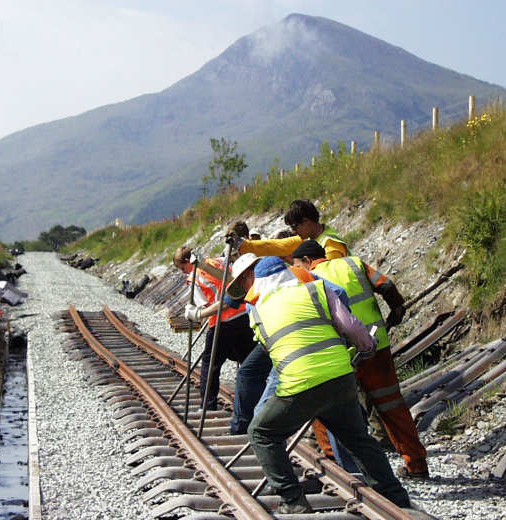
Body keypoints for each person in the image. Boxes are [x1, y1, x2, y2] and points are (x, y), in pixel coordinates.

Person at [227, 255, 410, 513]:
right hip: (340, 378)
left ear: (258, 281)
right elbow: (350, 326)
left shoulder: (256, 311)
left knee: (261, 432)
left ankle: (293, 501)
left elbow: (272, 351)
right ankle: (395, 498)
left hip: (299, 385)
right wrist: (366, 347)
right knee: (358, 439)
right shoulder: (317, 289)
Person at [291, 240, 429, 479]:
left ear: (306, 262)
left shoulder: (305, 278)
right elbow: (386, 285)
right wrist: (396, 311)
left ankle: (333, 465)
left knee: (326, 408)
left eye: (297, 265)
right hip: (377, 348)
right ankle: (416, 465)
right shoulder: (354, 264)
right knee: (391, 406)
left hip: (340, 356)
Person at [173, 246, 254, 413]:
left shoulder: (194, 278)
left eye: (182, 268)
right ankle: (252, 404)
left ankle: (208, 406)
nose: (183, 273)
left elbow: (205, 307)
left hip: (222, 324)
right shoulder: (219, 262)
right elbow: (236, 280)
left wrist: (196, 314)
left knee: (210, 365)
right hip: (244, 317)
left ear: (188, 262)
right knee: (248, 362)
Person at [233, 199, 347, 260]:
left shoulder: (331, 245)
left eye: (294, 226)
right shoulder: (311, 239)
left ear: (306, 221)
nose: (293, 231)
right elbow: (277, 246)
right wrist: (243, 245)